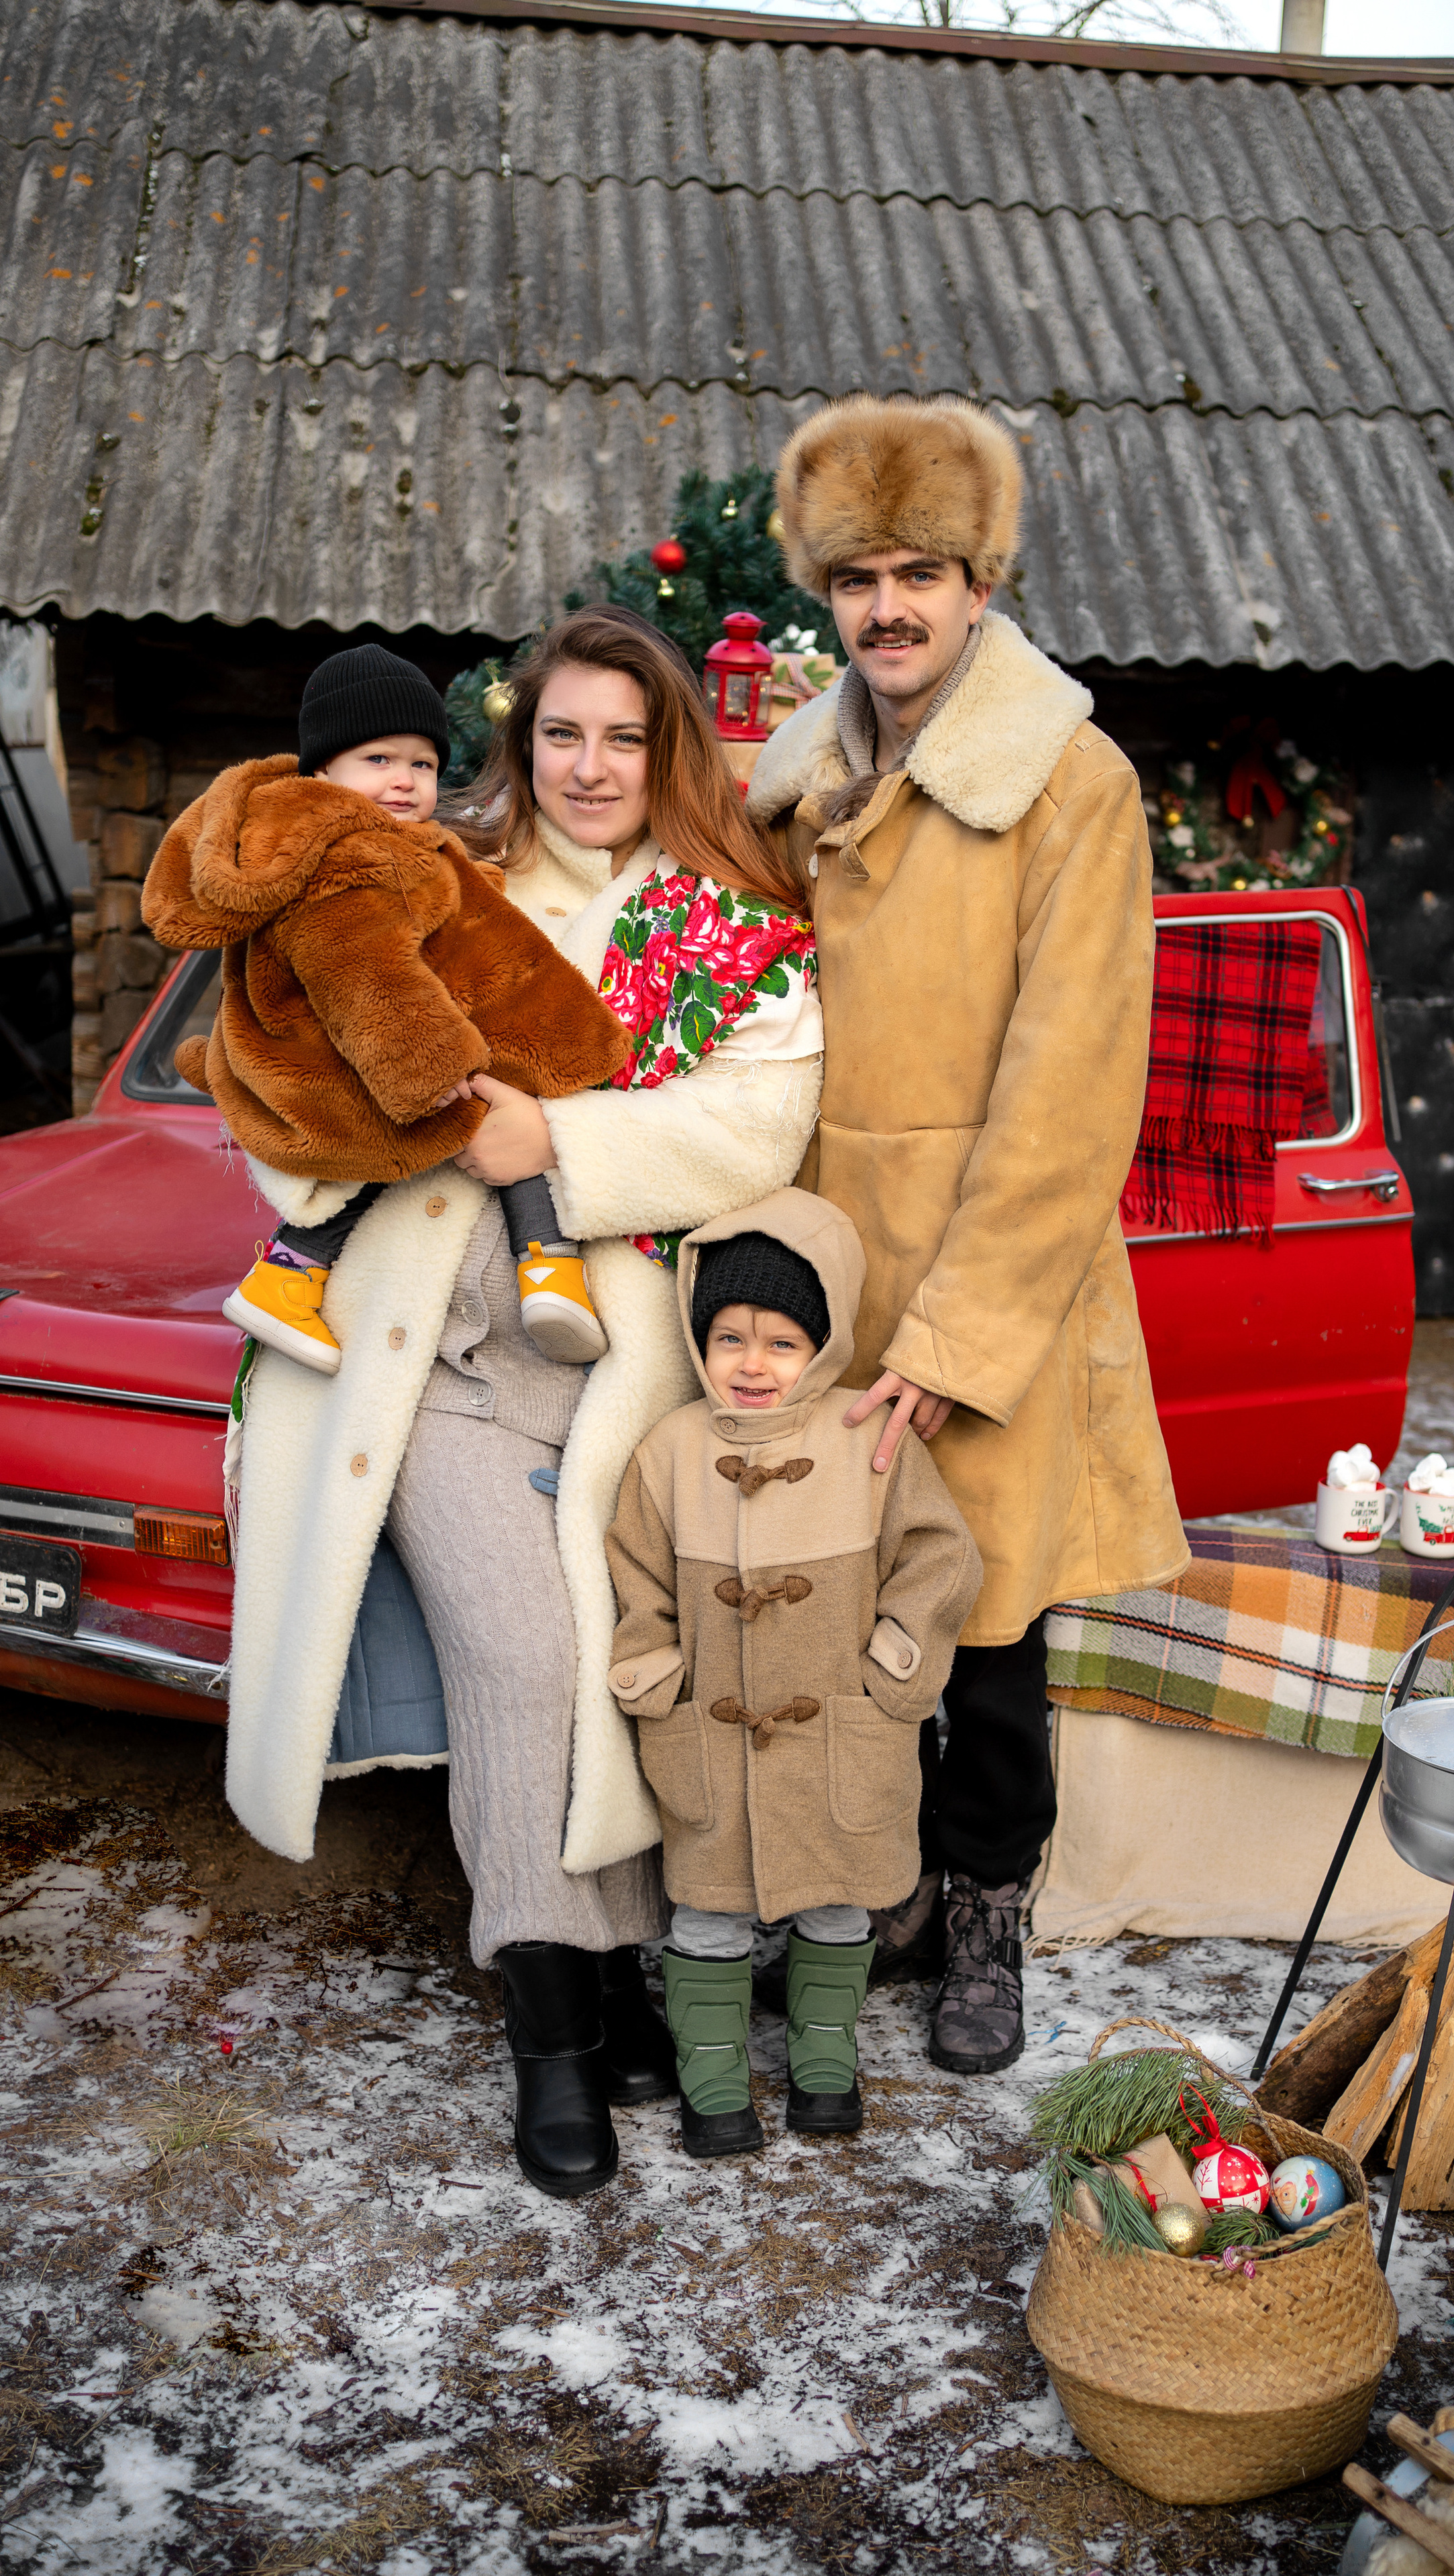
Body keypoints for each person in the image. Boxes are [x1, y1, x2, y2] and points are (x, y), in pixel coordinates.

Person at [219, 607, 823, 2199]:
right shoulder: (427, 881)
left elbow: (764, 1114)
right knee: (524, 1648)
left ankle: (619, 1978)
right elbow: (284, 1050)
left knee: (620, 1664)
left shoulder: (721, 919)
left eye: (625, 735)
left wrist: (549, 1140)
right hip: (434, 1369)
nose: (592, 764)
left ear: (667, 748)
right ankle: (550, 2026)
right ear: (521, 743)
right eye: (563, 732)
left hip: (627, 1375)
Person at [749, 394, 1190, 2078]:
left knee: (991, 1631)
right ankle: (889, 1889)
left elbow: (1073, 1087)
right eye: (856, 573)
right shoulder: (798, 782)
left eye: (920, 568)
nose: (888, 606)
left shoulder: (1067, 783)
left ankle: (988, 1898)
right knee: (859, 1615)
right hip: (827, 1270)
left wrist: (953, 1334)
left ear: (979, 577)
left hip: (988, 1275)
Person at [605, 1189, 980, 2157]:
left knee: (840, 1898)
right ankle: (714, 2080)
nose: (753, 1364)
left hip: (842, 1734)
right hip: (712, 1743)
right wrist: (655, 1680)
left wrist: (893, 1670)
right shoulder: (671, 1453)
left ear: (822, 1344)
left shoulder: (869, 1442)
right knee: (707, 1914)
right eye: (730, 1338)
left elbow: (941, 1561)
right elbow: (638, 1580)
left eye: (781, 1342)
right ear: (699, 1342)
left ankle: (824, 2058)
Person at [142, 643, 627, 1376]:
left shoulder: (363, 844)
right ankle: (539, 1266)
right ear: (323, 773)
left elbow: (429, 925)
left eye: (423, 765)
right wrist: (426, 1067)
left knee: (482, 1120)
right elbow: (365, 975)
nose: (404, 781)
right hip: (358, 1059)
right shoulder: (346, 855)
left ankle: (301, 1274)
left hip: (336, 1054)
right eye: (378, 761)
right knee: (477, 1117)